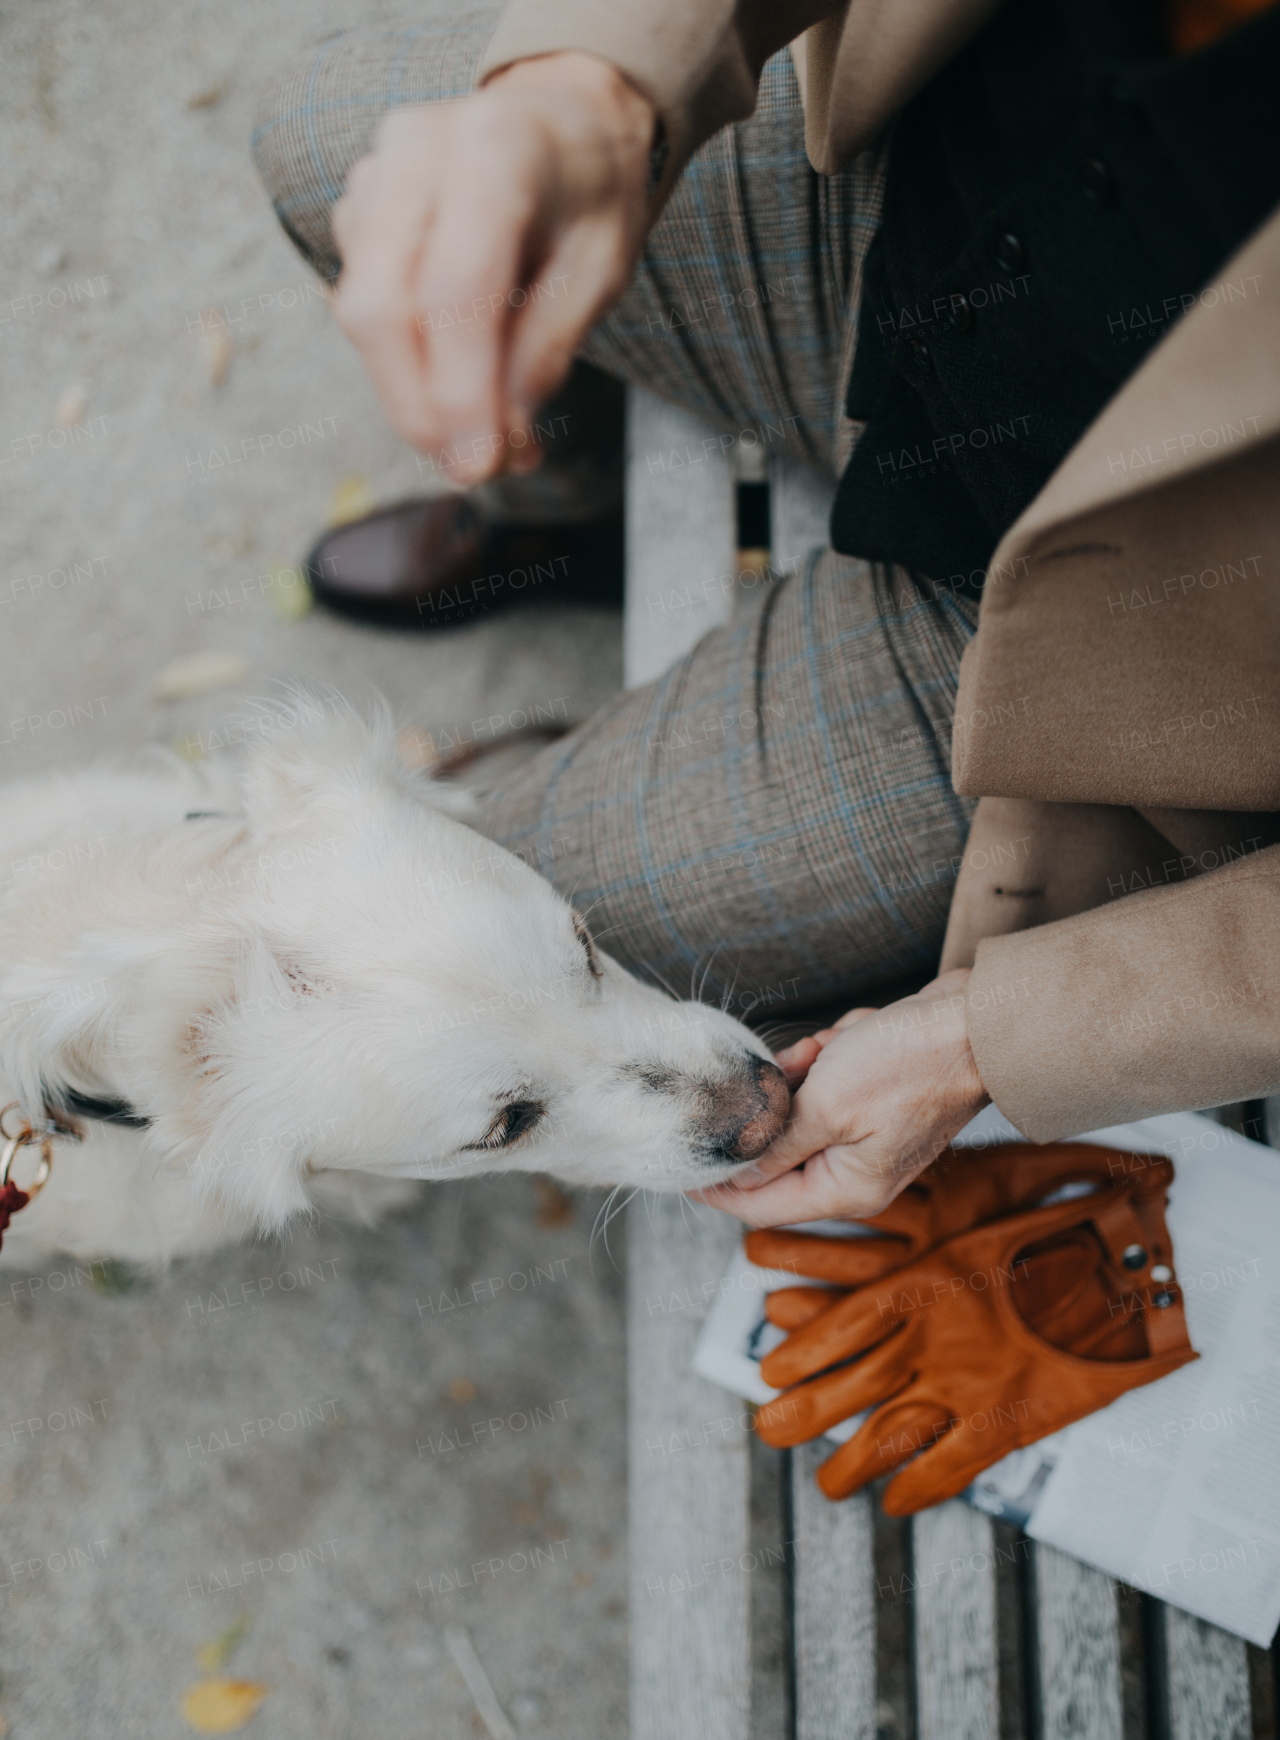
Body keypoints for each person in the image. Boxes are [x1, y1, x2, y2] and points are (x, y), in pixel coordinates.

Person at [251, 0, 1280, 1227]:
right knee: (332, 143)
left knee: (468, 955)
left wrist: (991, 1035)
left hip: (1114, 672)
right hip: (899, 209)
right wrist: (599, 85)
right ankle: (564, 503)